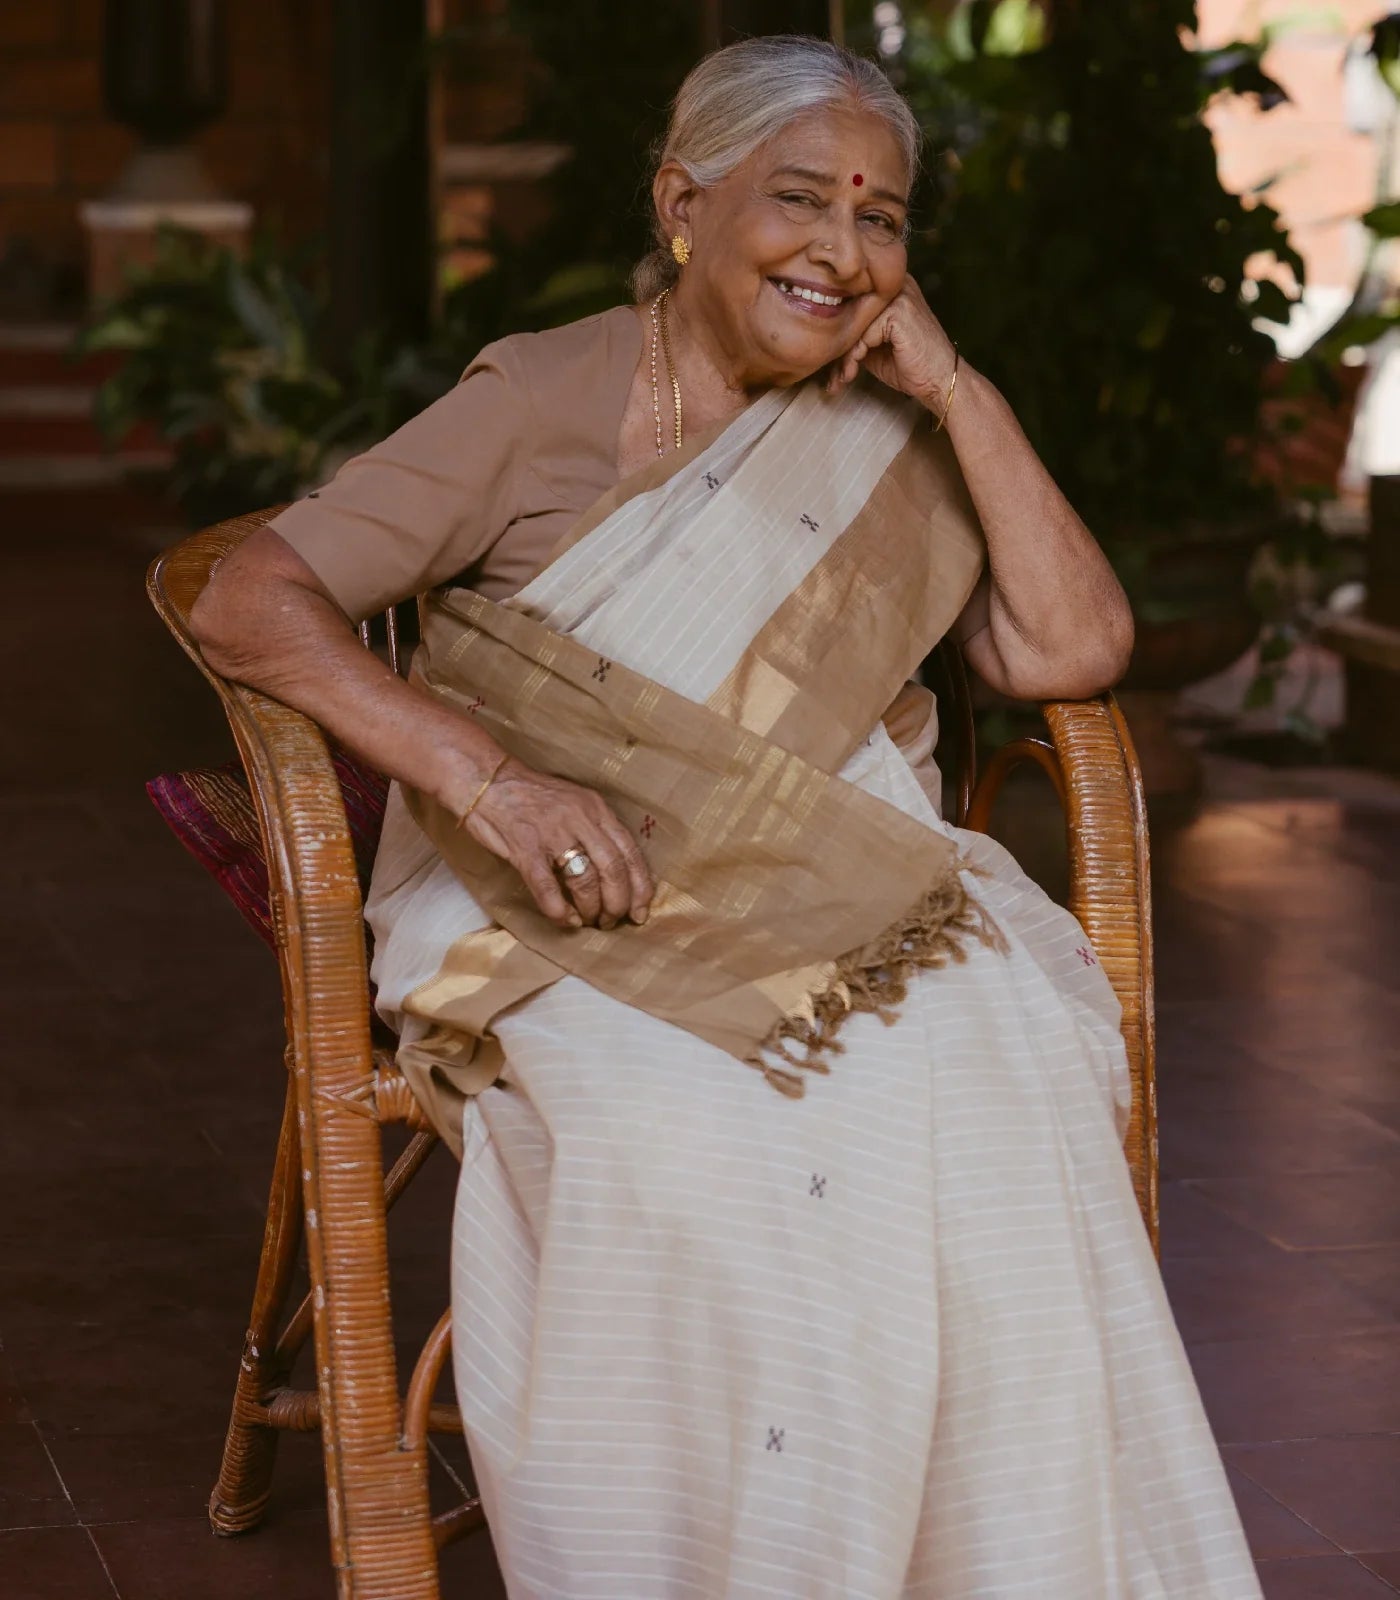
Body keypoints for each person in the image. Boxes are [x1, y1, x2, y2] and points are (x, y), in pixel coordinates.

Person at [190, 35, 1261, 1600]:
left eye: (882, 218)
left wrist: (953, 385)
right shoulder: (541, 398)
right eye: (801, 199)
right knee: (673, 1135)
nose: (842, 249)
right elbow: (247, 597)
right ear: (683, 205)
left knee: (994, 1084)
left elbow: (1069, 650)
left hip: (853, 888)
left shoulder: (895, 423)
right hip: (562, 895)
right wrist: (483, 772)